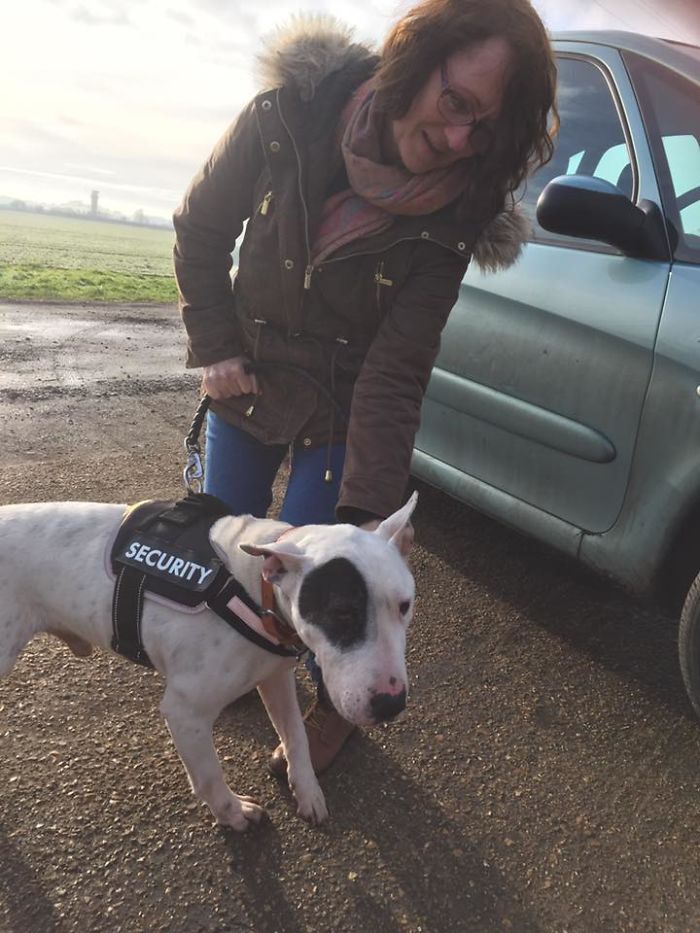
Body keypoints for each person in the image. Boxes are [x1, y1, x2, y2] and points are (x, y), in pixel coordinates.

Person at [173, 0, 557, 775]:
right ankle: (239, 659)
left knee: (333, 578)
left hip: (346, 401)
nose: (457, 140)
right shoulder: (285, 114)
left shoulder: (453, 221)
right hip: (247, 371)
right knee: (224, 551)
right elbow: (201, 226)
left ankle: (330, 702)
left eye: (483, 130)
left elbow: (398, 366)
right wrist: (214, 347)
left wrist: (366, 521)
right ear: (415, 60)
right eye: (456, 104)